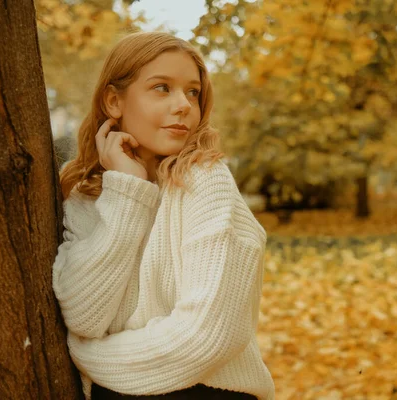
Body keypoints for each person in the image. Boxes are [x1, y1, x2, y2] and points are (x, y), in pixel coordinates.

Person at [52, 32, 275, 400]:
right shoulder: (85, 197)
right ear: (113, 101)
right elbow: (84, 316)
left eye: (192, 92)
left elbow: (209, 336)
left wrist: (89, 357)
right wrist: (128, 191)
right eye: (161, 88)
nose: (184, 105)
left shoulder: (206, 181)